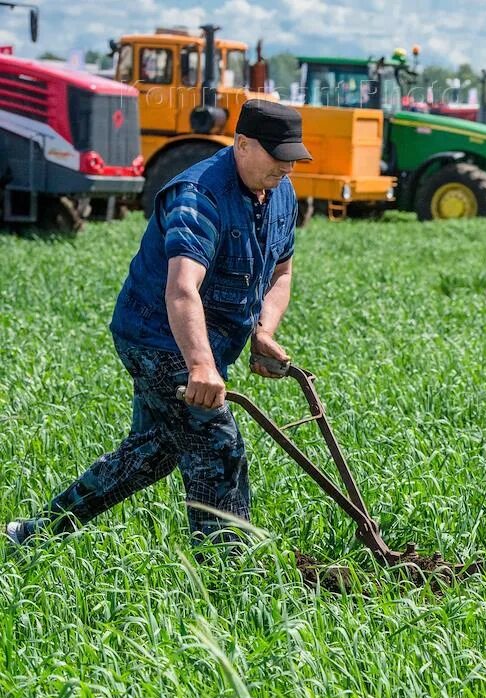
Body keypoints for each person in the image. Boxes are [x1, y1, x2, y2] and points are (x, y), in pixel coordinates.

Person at [6, 100, 311, 550]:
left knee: (152, 454)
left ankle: (33, 535)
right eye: (277, 155)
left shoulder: (280, 191)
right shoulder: (199, 195)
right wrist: (201, 366)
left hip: (205, 343)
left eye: (292, 157)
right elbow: (182, 289)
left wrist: (263, 329)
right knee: (216, 446)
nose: (286, 167)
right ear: (242, 144)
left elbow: (280, 271)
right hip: (155, 337)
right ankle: (230, 577)